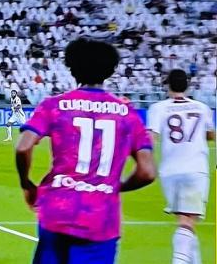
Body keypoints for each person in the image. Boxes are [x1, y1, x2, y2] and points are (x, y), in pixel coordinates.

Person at [15, 38, 156, 264]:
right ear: (110, 71)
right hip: (101, 218)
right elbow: (147, 172)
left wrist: (27, 183)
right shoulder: (127, 113)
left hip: (56, 210)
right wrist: (115, 186)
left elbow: (23, 147)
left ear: (72, 69)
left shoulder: (54, 105)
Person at [147, 69, 215, 264]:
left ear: (168, 85)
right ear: (188, 85)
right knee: (187, 222)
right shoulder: (202, 108)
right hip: (195, 169)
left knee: (185, 221)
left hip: (169, 171)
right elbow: (211, 135)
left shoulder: (158, 108)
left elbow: (151, 138)